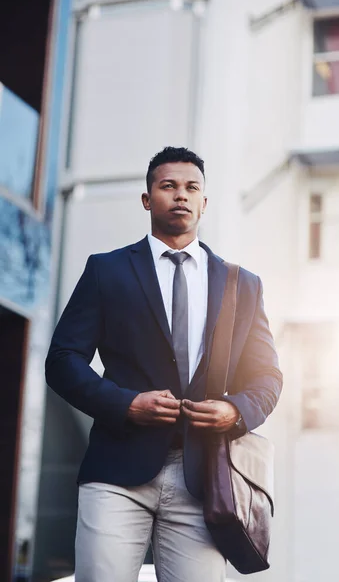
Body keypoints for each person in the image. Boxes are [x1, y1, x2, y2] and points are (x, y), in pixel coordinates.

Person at [45, 146, 283, 582]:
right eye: (168, 186)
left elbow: (267, 377)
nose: (180, 196)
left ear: (204, 202)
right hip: (116, 471)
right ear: (147, 198)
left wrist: (234, 411)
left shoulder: (242, 285)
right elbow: (62, 361)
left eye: (192, 188)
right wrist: (126, 403)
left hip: (204, 480)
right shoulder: (106, 270)